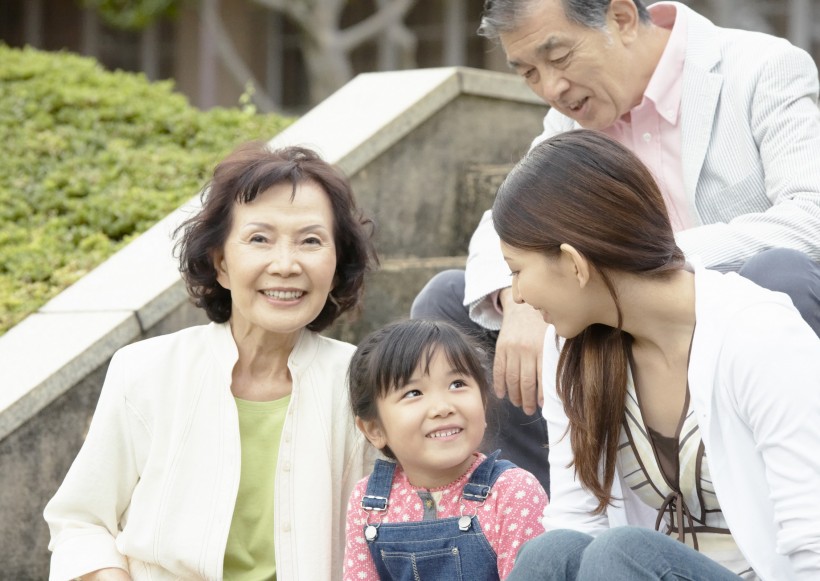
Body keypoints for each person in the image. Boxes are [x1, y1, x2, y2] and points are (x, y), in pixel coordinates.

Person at [411, 0, 820, 479]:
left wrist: (638, 266)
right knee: (447, 303)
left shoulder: (762, 67)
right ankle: (540, 514)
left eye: (558, 57)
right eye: (528, 73)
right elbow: (502, 222)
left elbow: (810, 216)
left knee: (782, 272)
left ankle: (790, 483)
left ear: (622, 18)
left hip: (728, 325)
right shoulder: (573, 114)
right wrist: (517, 297)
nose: (551, 89)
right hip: (617, 340)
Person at [43, 142, 379, 580]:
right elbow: (80, 522)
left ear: (336, 266)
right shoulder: (146, 371)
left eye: (311, 241)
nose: (285, 264)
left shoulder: (363, 383)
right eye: (259, 238)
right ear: (220, 263)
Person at [494, 129, 820, 580]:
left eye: (516, 271)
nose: (518, 295)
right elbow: (575, 518)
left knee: (624, 553)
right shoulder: (572, 349)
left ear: (573, 262)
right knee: (550, 554)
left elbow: (814, 545)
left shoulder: (759, 335)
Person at [343, 319, 549, 580]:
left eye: (457, 384)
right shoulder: (368, 501)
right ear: (374, 430)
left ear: (483, 404)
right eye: (413, 392)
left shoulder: (512, 492)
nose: (443, 407)